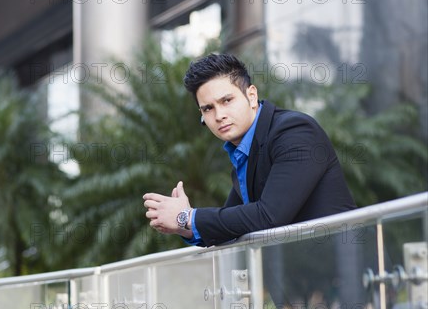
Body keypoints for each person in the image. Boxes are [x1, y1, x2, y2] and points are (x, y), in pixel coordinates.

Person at [143, 53, 356, 247]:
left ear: (251, 96)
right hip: (304, 278)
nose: (219, 115)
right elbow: (230, 229)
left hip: (352, 273)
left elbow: (269, 215)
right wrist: (184, 225)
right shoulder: (244, 152)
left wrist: (187, 217)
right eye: (208, 108)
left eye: (226, 100)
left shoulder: (295, 132)